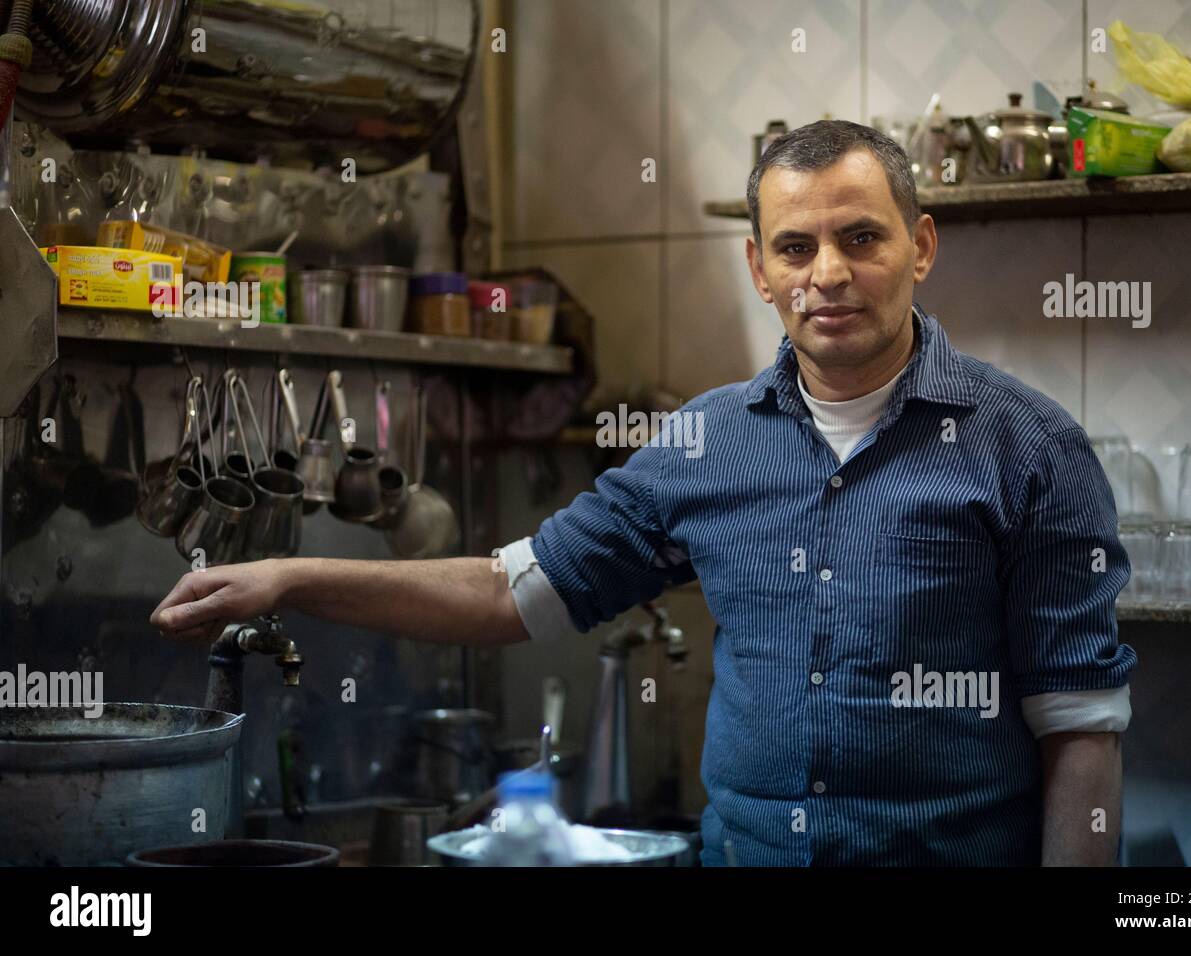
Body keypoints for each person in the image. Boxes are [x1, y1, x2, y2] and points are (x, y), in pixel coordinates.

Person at [153, 120, 1136, 867]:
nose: (828, 274)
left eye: (861, 238)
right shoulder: (705, 443)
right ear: (758, 267)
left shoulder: (1028, 447)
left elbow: (1081, 733)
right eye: (795, 247)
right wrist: (288, 575)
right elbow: (511, 591)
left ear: (919, 247)